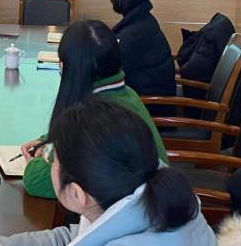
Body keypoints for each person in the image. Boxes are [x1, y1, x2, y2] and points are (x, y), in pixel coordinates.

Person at [0, 99, 216, 246]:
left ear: (77, 194)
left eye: (52, 160)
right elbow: (74, 237)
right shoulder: (139, 194)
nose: (49, 163)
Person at [20, 20, 167, 199]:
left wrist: (34, 165)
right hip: (155, 201)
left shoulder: (94, 116)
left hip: (136, 207)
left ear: (71, 68)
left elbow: (40, 182)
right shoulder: (125, 94)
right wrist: (47, 140)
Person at [109, 0, 176, 97]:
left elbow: (107, 70)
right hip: (144, 96)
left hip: (148, 104)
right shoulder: (143, 20)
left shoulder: (135, 33)